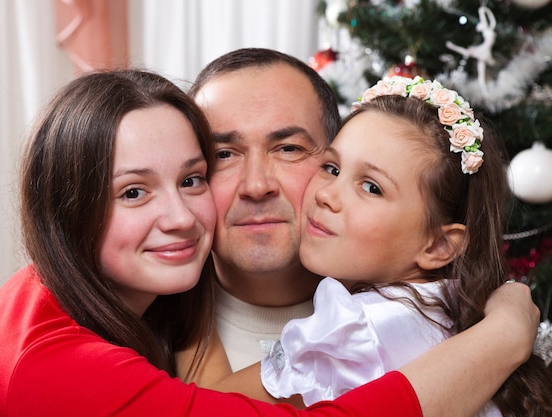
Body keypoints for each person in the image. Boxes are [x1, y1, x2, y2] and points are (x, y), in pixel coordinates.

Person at [0, 68, 430, 417]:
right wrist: (502, 336)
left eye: (191, 180)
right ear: (67, 212)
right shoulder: (55, 361)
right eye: (133, 191)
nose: (180, 217)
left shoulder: (124, 293)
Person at [182, 48, 541, 416]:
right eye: (224, 153)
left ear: (438, 245)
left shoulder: (359, 326)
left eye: (289, 148)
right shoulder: (134, 329)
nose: (256, 186)